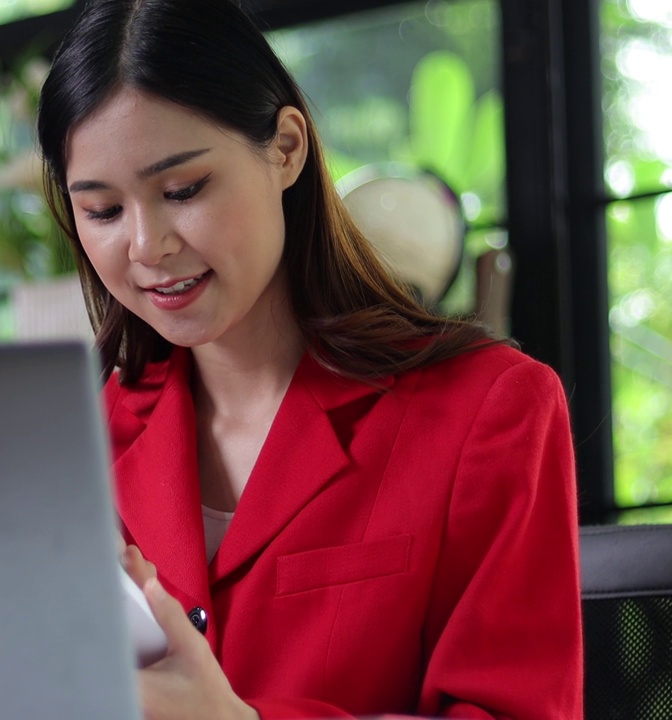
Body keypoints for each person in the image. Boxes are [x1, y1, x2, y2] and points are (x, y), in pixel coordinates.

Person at [34, 0, 584, 718]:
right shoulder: (79, 451)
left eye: (183, 190)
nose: (147, 245)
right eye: (103, 210)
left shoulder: (489, 408)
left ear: (286, 148)